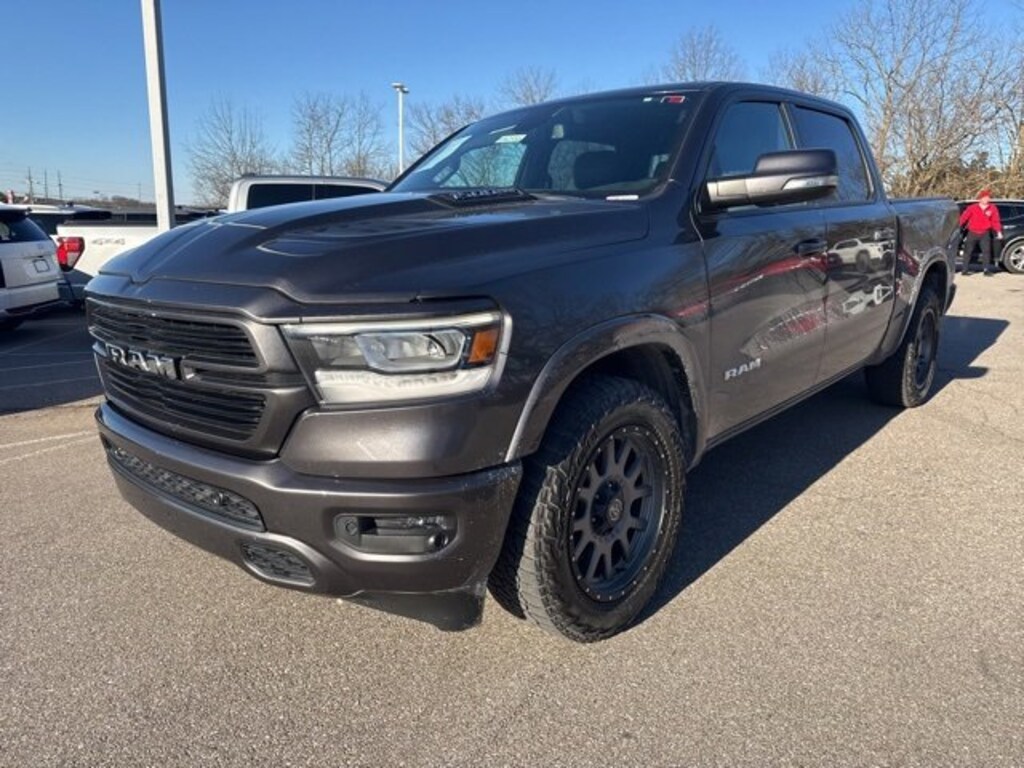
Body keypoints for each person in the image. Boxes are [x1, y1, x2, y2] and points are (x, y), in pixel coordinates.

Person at [958, 189, 1003, 276]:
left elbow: (995, 221)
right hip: (972, 232)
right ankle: (965, 270)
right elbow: (964, 218)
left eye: (988, 198)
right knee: (968, 251)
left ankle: (986, 270)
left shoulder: (992, 208)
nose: (987, 200)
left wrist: (998, 231)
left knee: (986, 251)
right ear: (980, 199)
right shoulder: (972, 208)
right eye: (985, 198)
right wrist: (958, 226)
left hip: (985, 233)